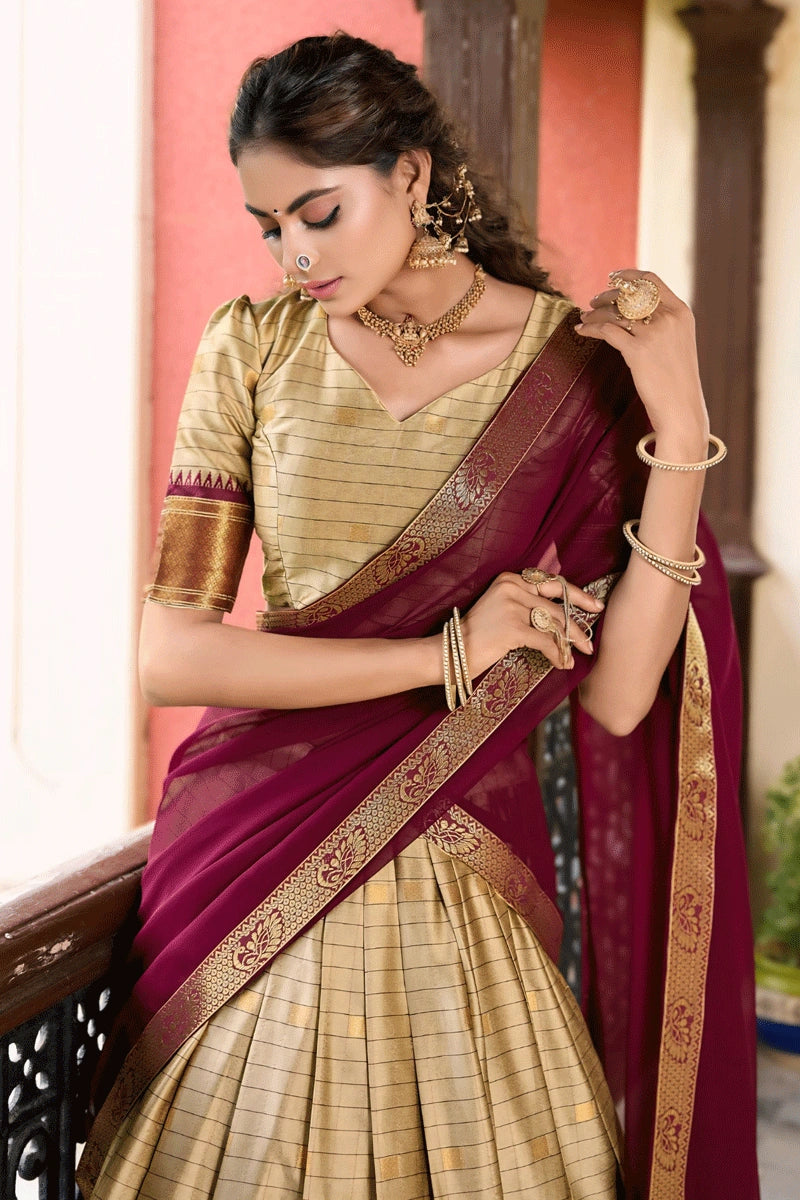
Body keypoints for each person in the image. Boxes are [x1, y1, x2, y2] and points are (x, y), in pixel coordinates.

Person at [77, 33, 759, 1200]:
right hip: (248, 860)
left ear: (409, 175)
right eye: (268, 226)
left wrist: (681, 427)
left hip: (464, 876)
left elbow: (616, 693)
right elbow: (171, 655)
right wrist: (448, 651)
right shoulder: (252, 350)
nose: (294, 255)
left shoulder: (566, 374)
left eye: (318, 213)